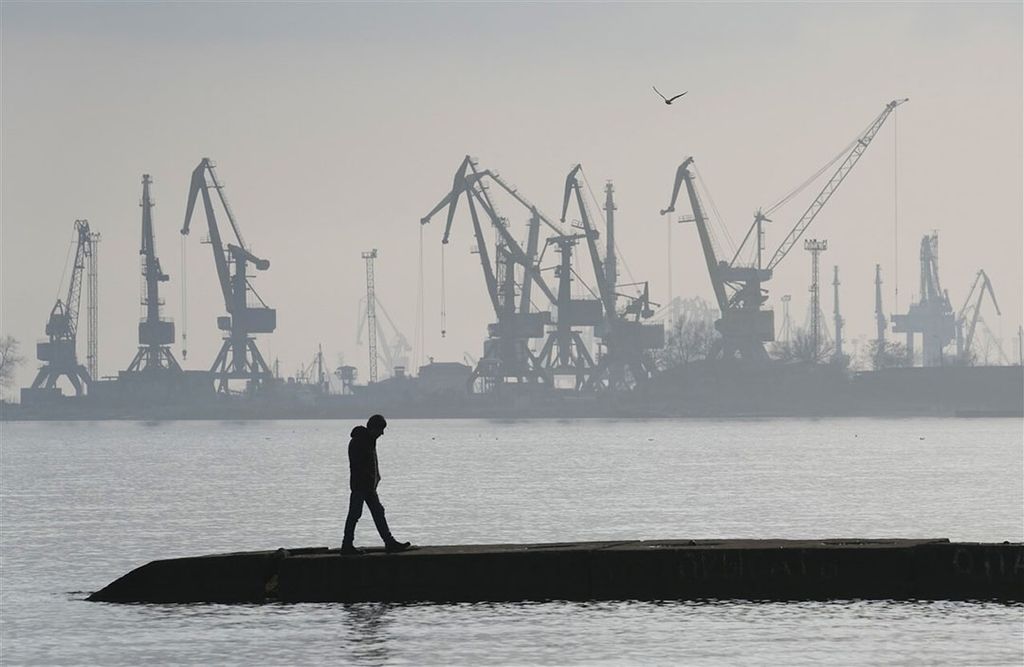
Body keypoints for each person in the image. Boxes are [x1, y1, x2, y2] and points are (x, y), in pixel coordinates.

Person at [341, 414, 411, 555]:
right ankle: (347, 545)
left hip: (368, 486)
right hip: (360, 486)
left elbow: (371, 463)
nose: (382, 433)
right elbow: (359, 466)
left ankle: (389, 542)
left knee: (378, 512)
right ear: (373, 428)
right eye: (380, 430)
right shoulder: (359, 442)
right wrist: (368, 480)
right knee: (355, 514)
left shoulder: (369, 440)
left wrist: (375, 478)